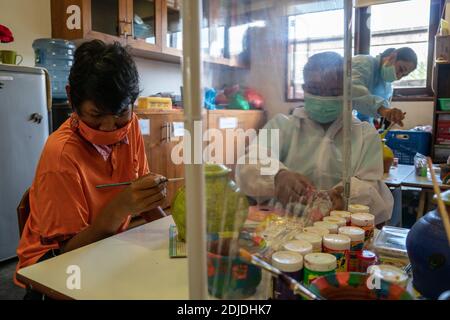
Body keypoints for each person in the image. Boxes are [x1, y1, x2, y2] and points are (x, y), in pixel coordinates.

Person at [15, 40, 167, 298]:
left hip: (104, 248)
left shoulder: (131, 128)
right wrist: (119, 208)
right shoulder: (62, 156)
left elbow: (142, 196)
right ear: (73, 99)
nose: (109, 128)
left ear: (132, 103)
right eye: (95, 115)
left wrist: (176, 233)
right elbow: (68, 252)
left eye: (120, 113)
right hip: (53, 267)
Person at [236, 51, 393, 225]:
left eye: (334, 91)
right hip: (282, 228)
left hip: (338, 231)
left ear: (348, 91)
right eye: (316, 90)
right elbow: (249, 164)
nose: (323, 97)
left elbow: (372, 189)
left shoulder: (364, 135)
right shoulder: (281, 126)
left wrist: (347, 196)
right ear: (304, 89)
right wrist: (278, 175)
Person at [353, 47, 418, 127]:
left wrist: (369, 133)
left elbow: (366, 115)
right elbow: (353, 92)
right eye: (401, 69)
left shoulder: (386, 88)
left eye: (404, 75)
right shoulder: (363, 63)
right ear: (392, 57)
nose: (398, 77)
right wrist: (384, 110)